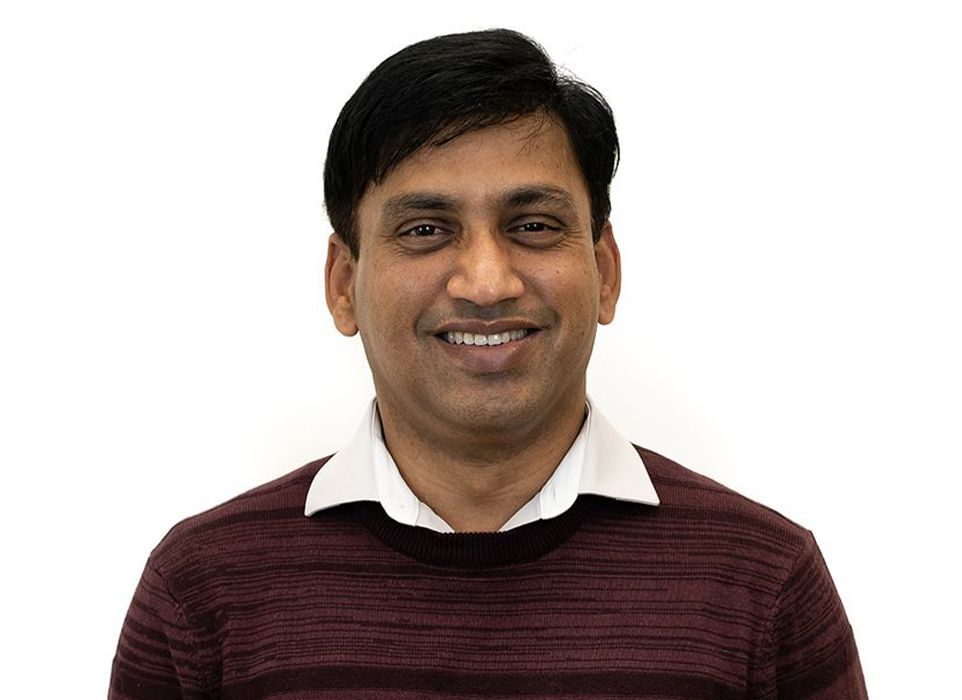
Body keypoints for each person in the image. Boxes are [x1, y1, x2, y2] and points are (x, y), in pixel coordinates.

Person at [109, 28, 867, 699]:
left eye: (533, 225)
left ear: (605, 270)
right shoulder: (201, 591)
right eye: (426, 230)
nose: (486, 282)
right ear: (343, 285)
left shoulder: (764, 583)